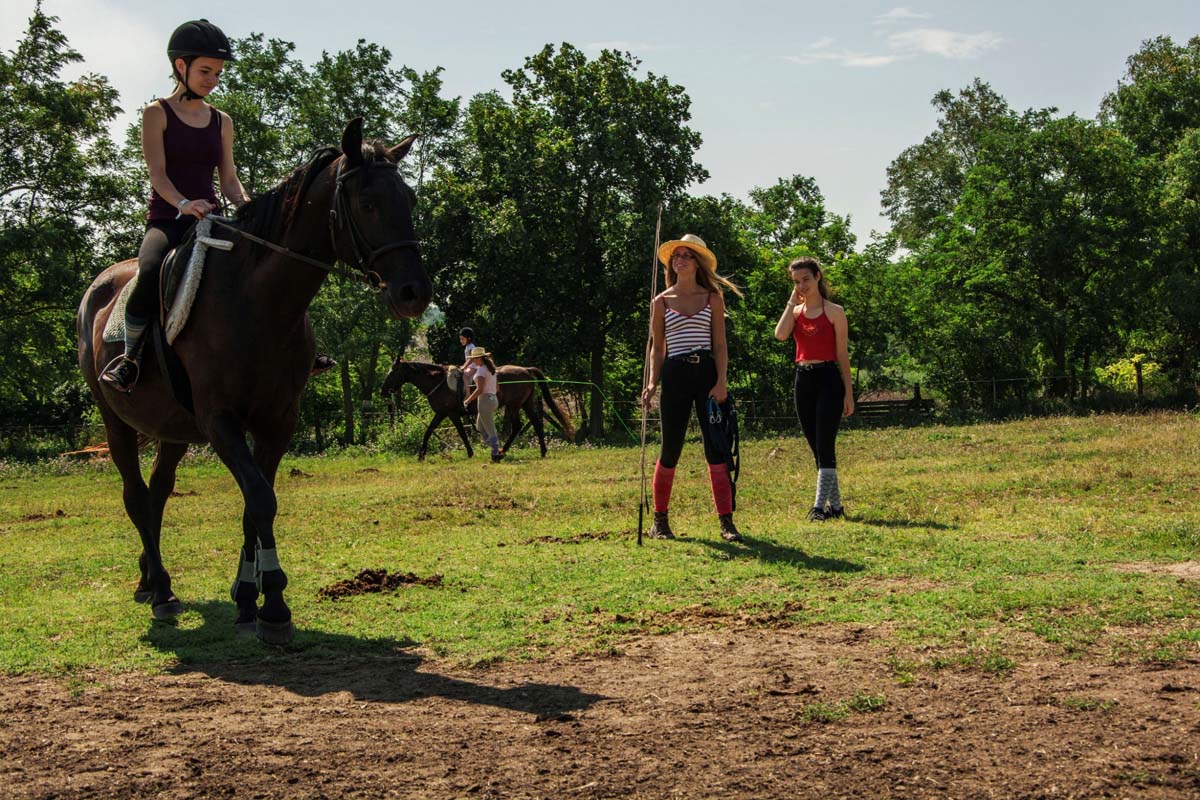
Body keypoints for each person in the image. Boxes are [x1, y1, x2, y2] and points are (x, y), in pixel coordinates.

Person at [100, 20, 332, 391]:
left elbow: (229, 178)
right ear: (181, 66)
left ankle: (297, 348)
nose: (213, 80)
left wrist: (250, 209)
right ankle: (131, 357)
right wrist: (183, 203)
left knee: (270, 263)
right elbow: (157, 175)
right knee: (150, 268)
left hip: (212, 220)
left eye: (218, 73)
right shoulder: (156, 113)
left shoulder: (222, 121)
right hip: (169, 220)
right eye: (205, 71)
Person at [640, 234, 744, 542]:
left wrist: (721, 381)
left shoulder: (713, 298)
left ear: (698, 263)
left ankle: (726, 522)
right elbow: (658, 347)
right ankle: (660, 521)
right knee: (670, 448)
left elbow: (720, 344)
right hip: (675, 374)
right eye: (677, 255)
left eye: (687, 255)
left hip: (707, 374)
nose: (680, 259)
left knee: (716, 447)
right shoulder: (661, 301)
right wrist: (652, 382)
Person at [773, 256, 854, 521]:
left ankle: (819, 508)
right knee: (816, 447)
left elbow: (842, 354)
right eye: (796, 282)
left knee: (825, 444)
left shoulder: (835, 312)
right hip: (803, 379)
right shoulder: (796, 313)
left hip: (828, 379)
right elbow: (780, 335)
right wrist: (790, 303)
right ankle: (837, 508)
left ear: (818, 277)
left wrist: (849, 393)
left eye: (806, 279)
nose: (802, 285)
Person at [462, 346, 503, 462]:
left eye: (475, 358)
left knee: (490, 429)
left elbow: (479, 390)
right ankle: (497, 449)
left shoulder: (481, 371)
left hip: (485, 401)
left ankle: (495, 454)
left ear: (481, 358)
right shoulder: (491, 369)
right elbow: (497, 388)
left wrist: (468, 400)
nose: (473, 361)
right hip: (493, 399)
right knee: (479, 427)